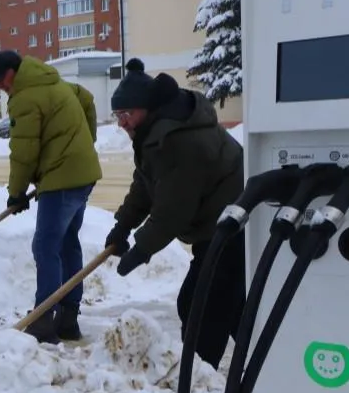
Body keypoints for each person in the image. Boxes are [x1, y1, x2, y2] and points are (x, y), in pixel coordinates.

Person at [105, 59, 245, 370]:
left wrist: (142, 248)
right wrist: (123, 225)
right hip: (220, 226)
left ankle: (198, 377)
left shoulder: (178, 141)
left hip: (234, 224)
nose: (122, 123)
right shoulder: (156, 134)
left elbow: (173, 210)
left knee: (201, 305)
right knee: (229, 304)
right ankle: (266, 357)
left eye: (126, 114)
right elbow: (145, 184)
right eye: (117, 116)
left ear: (147, 108)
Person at [0, 49, 102, 344]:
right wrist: (84, 145)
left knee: (45, 246)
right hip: (83, 175)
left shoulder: (25, 97)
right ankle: (68, 318)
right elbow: (86, 98)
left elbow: (24, 153)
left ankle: (42, 319)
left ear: (11, 74)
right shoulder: (55, 83)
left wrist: (15, 194)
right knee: (66, 244)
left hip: (61, 181)